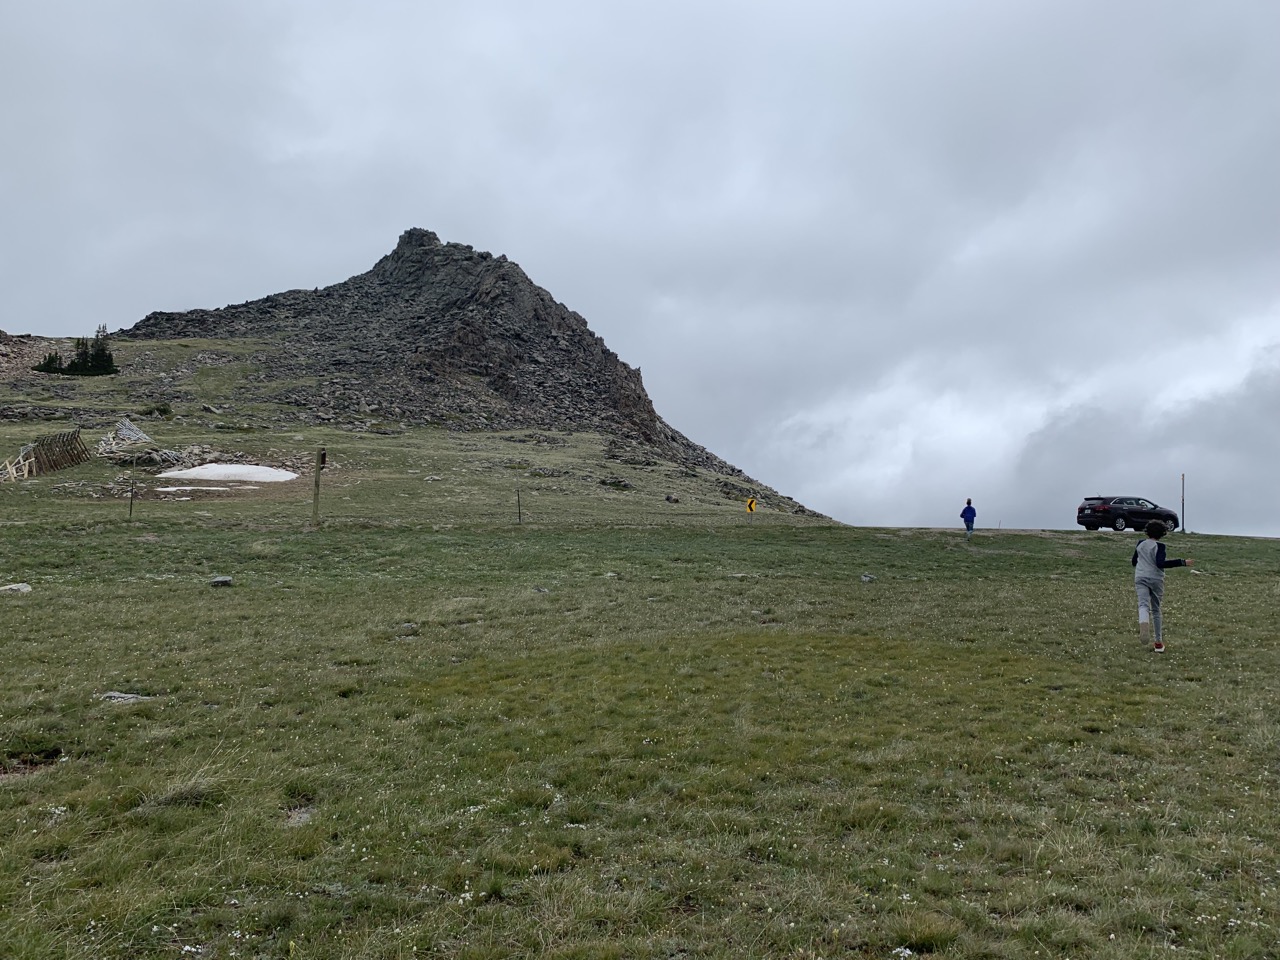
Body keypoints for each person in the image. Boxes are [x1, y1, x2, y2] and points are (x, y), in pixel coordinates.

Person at [1131, 520, 1193, 653]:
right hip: (1156, 579)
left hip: (1140, 577)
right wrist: (1182, 562)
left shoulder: (1140, 544)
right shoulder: (1160, 546)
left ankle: (1144, 622)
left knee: (1143, 605)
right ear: (1162, 533)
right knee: (1156, 609)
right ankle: (1158, 643)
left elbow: (1133, 561)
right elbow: (1161, 564)